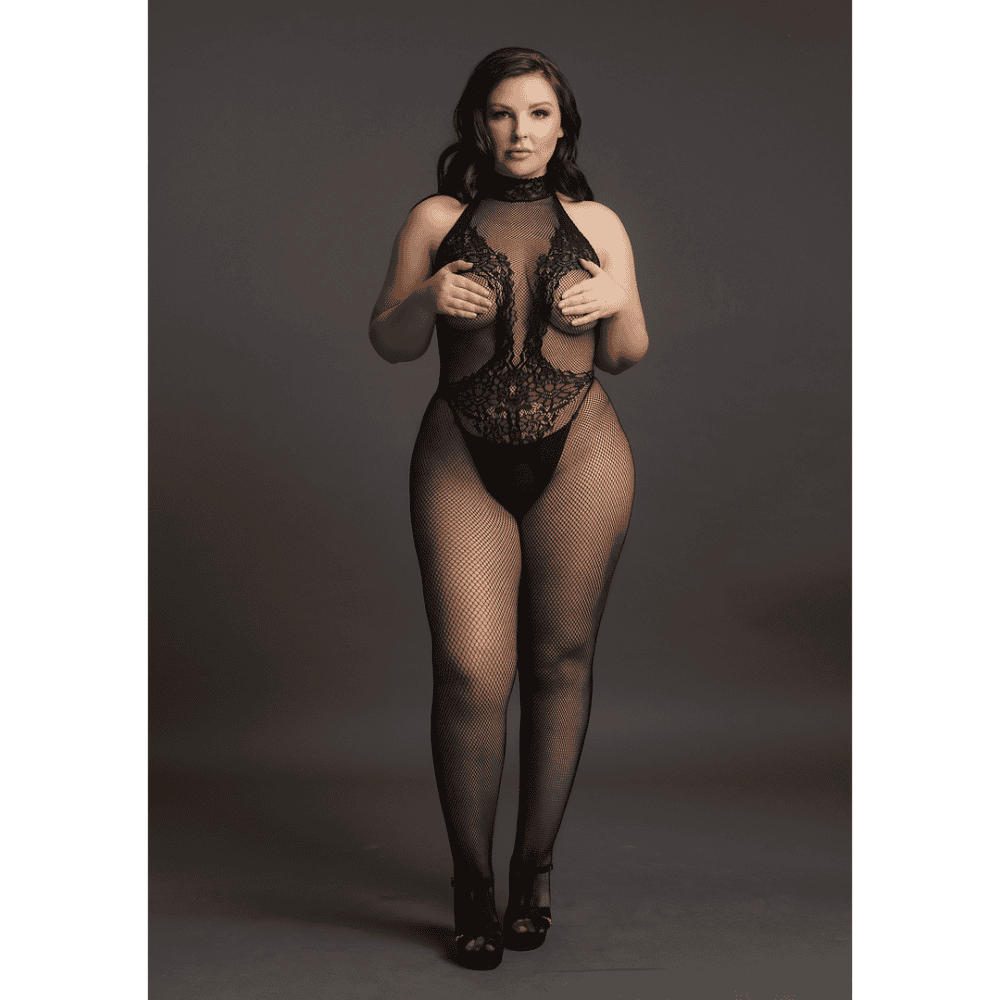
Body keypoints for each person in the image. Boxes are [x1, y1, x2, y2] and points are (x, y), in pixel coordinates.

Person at [369, 47, 648, 970]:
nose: (519, 131)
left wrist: (619, 298)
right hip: (461, 453)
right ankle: (472, 884)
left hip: (584, 453)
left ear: (562, 127)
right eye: (501, 113)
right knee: (470, 671)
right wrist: (425, 296)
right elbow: (389, 342)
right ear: (476, 125)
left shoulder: (599, 223)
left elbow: (625, 354)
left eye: (537, 113)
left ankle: (535, 870)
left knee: (561, 660)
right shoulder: (435, 219)